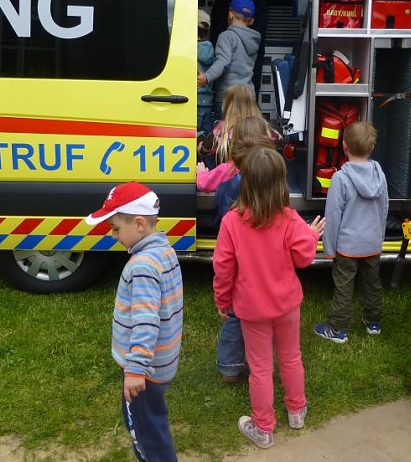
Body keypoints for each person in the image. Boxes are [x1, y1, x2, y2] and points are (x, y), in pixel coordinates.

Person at [213, 146, 325, 449]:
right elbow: (304, 257)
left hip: (251, 309)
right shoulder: (289, 218)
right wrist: (312, 235)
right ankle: (296, 411)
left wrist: (222, 300)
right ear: (281, 183)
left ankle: (263, 428)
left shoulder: (231, 222)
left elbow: (223, 267)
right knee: (291, 358)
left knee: (260, 368)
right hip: (287, 305)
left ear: (245, 181)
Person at [84, 182, 183, 462]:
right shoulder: (164, 251)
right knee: (148, 422)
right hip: (159, 364)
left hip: (145, 373)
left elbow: (146, 321)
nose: (113, 235)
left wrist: (135, 370)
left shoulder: (141, 266)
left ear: (139, 223)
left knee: (147, 434)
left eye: (115, 228)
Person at [196, 117, 276, 384]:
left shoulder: (228, 177)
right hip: (261, 265)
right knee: (262, 321)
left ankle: (230, 367)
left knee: (234, 317)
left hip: (232, 249)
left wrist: (222, 297)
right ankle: (259, 366)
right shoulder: (272, 186)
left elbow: (223, 264)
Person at [314, 121, 389, 344]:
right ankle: (373, 322)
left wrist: (329, 248)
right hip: (372, 243)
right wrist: (379, 237)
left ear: (344, 145)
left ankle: (337, 329)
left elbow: (333, 215)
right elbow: (384, 208)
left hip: (348, 247)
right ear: (372, 148)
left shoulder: (340, 178)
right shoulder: (379, 175)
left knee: (344, 287)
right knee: (372, 283)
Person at [208, 0, 268, 97]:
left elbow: (258, 22)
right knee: (245, 106)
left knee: (237, 104)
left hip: (241, 60)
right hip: (226, 57)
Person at [198, 0, 260, 123]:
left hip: (228, 98)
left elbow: (223, 62)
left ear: (230, 14)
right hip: (248, 97)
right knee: (243, 137)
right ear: (251, 21)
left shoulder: (227, 36)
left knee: (224, 137)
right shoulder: (254, 40)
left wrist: (207, 77)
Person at [198, 83, 282, 164]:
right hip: (258, 174)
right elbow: (280, 142)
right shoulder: (264, 127)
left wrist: (199, 135)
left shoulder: (223, 129)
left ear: (227, 105)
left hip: (231, 175)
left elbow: (204, 150)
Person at [197, 9, 215, 137]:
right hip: (208, 102)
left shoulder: (191, 49)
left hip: (195, 101)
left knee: (196, 138)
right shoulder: (210, 48)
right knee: (208, 140)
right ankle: (208, 158)